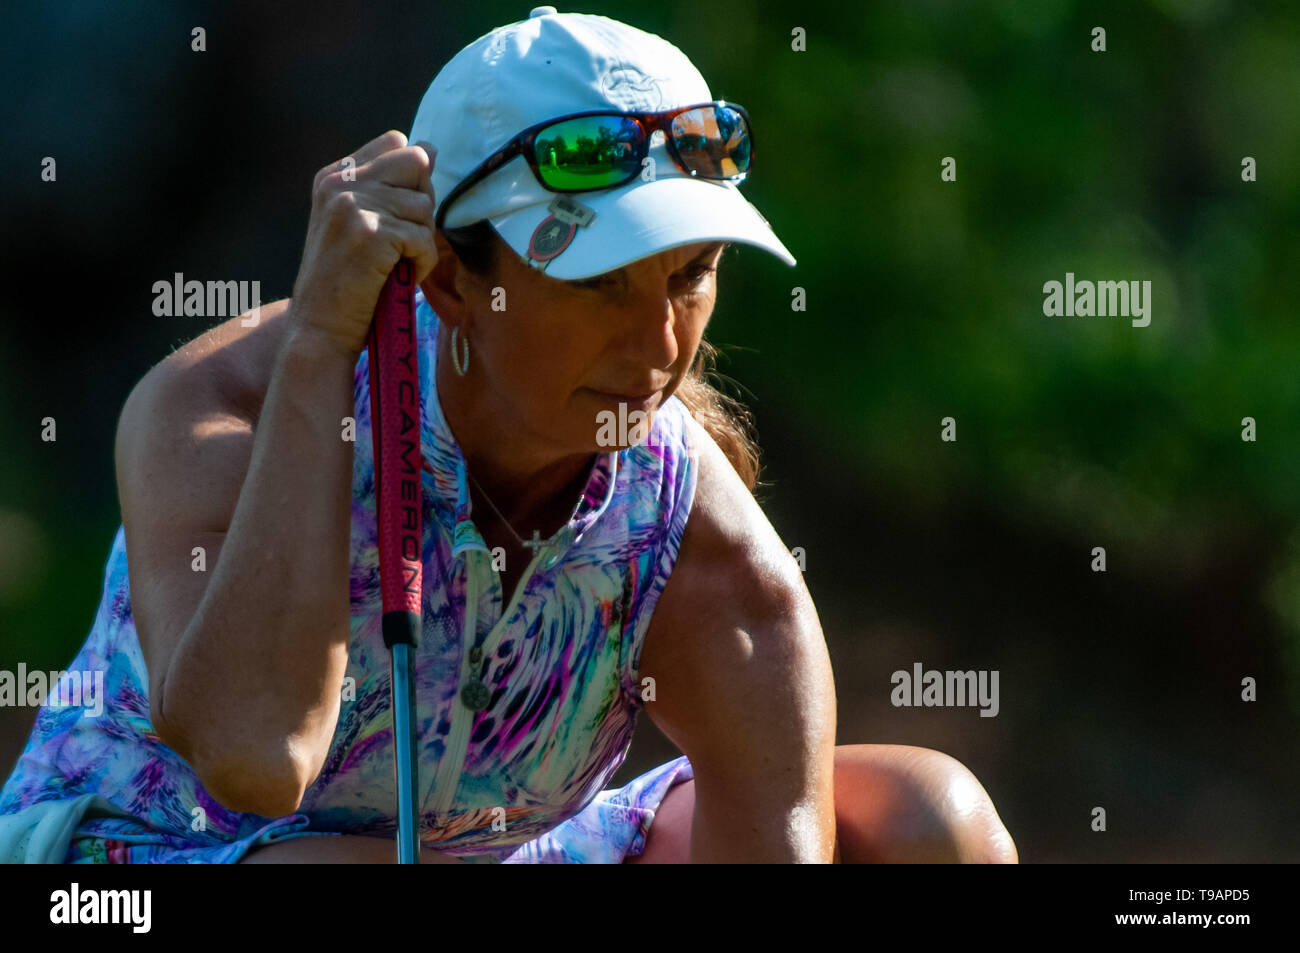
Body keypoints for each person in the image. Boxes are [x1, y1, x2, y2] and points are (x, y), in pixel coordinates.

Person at [0, 7, 1017, 864]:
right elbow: (256, 756)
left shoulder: (699, 543)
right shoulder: (228, 404)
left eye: (689, 273)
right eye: (601, 280)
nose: (659, 341)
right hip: (138, 857)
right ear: (450, 278)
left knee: (928, 822)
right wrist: (319, 344)